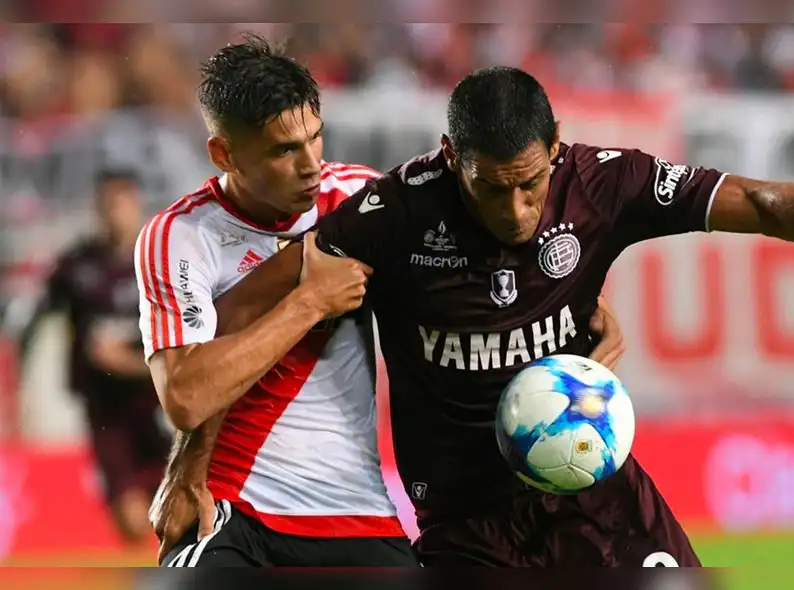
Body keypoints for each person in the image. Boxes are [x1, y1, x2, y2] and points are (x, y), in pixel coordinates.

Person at [158, 65, 794, 567]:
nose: (518, 209)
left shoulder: (604, 182)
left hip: (595, 489)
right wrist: (189, 465)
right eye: (491, 188)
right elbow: (232, 326)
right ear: (449, 157)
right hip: (466, 526)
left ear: (556, 150)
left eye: (530, 183)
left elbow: (758, 200)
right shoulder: (390, 211)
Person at [139, 34, 628, 568]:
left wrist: (580, 308)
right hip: (238, 510)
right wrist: (308, 303)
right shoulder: (180, 238)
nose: (310, 165)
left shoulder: (363, 200)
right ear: (223, 153)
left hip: (359, 513)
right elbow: (186, 395)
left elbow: (490, 265)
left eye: (314, 139)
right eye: (284, 150)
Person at [16, 169, 170, 545]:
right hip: (106, 412)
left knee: (177, 510)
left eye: (122, 202)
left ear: (136, 205)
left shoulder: (161, 263)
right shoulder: (76, 267)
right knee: (131, 520)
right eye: (107, 204)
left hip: (161, 406)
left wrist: (137, 364)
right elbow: (35, 320)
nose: (115, 212)